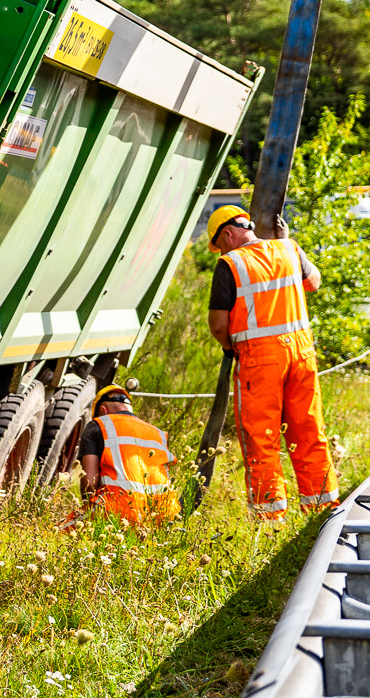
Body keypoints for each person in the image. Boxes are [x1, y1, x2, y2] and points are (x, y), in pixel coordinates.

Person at [205, 205, 336, 519]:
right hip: (302, 354)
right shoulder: (289, 248)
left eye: (219, 245)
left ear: (228, 234)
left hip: (259, 360)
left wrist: (232, 349)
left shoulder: (229, 263)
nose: (220, 251)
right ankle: (322, 507)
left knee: (261, 437)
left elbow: (219, 326)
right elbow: (314, 282)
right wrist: (289, 244)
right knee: (309, 430)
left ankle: (269, 517)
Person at [75, 386, 179, 527]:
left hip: (116, 510)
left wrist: (88, 512)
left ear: (102, 411)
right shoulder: (159, 434)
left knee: (58, 532)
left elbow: (90, 484)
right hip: (162, 517)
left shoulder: (98, 424)